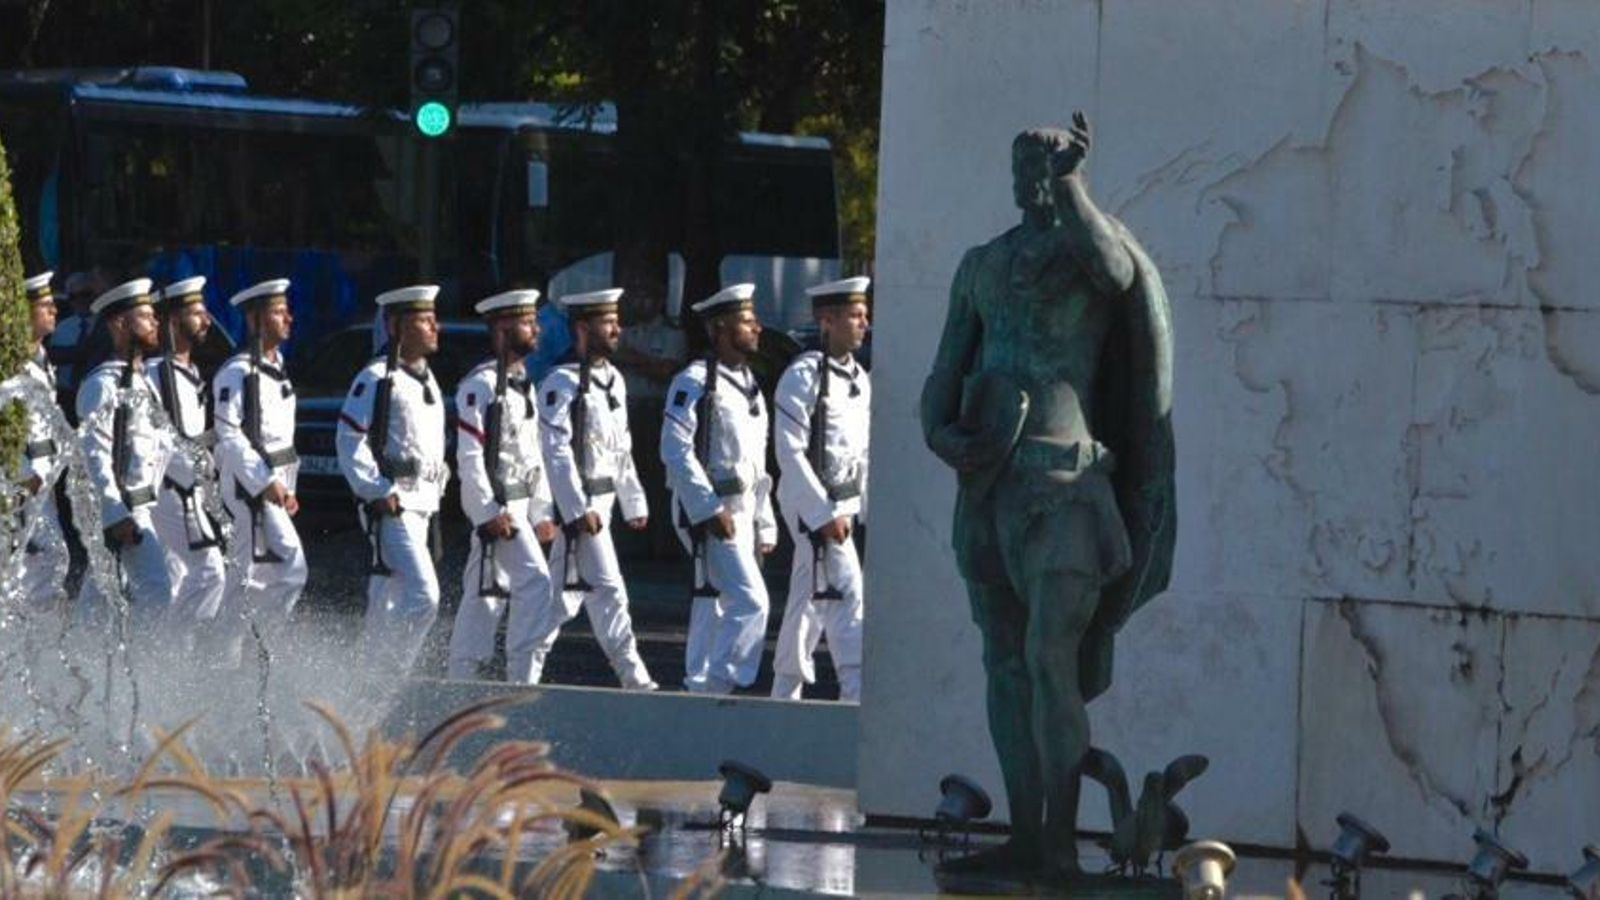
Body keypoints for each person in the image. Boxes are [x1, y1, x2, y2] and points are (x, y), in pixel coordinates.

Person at [920, 116, 1175, 883]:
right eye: (1023, 162)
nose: (1031, 174)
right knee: (1003, 662)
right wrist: (940, 432)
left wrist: (1075, 188)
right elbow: (943, 371)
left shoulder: (1092, 254)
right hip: (990, 489)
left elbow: (1120, 275)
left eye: (1047, 163)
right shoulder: (983, 264)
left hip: (1068, 489)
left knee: (1047, 659)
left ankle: (1060, 846)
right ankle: (1027, 833)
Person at [532, 288, 657, 690]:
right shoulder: (560, 381)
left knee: (559, 601)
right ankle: (636, 679)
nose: (617, 329)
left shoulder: (613, 380)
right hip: (582, 508)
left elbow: (621, 448)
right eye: (608, 322)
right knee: (608, 590)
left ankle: (522, 674)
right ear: (584, 328)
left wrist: (632, 498)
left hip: (602, 503)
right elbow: (556, 450)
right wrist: (574, 508)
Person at [660, 283, 777, 695]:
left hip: (743, 510)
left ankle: (699, 689)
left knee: (715, 603)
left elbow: (758, 466)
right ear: (722, 328)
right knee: (751, 602)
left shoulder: (748, 386)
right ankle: (721, 686)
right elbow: (674, 449)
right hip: (711, 512)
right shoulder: (693, 382)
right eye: (747, 322)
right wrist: (708, 510)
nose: (757, 328)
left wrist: (764, 523)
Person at [445, 288, 561, 683]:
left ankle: (460, 677)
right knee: (536, 585)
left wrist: (542, 512)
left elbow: (534, 458)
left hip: (521, 508)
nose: (537, 330)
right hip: (500, 509)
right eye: (527, 323)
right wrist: (487, 512)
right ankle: (521, 678)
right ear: (502, 328)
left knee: (485, 597)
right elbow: (470, 457)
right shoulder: (480, 387)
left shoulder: (522, 383)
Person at [770, 276, 872, 702]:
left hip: (844, 506)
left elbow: (862, 451)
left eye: (865, 315)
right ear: (826, 321)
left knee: (809, 603)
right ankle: (855, 691)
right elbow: (789, 452)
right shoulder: (803, 377)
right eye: (854, 315)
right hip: (815, 508)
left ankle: (784, 690)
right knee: (848, 597)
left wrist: (862, 508)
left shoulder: (859, 378)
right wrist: (821, 514)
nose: (864, 324)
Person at [337, 285, 448, 676]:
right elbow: (349, 439)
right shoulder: (376, 377)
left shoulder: (426, 379)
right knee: (424, 596)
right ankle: (392, 677)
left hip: (423, 504)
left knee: (386, 599)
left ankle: (361, 680)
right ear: (397, 326)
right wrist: (375, 489)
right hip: (393, 504)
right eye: (424, 318)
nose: (436, 325)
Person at [213, 279, 309, 648]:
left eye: (286, 309)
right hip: (249, 490)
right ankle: (249, 648)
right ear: (255, 320)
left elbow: (282, 441)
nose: (288, 317)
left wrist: (289, 488)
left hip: (274, 489)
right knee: (289, 570)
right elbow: (229, 433)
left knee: (255, 578)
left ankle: (233, 652)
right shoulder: (238, 372)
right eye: (278, 311)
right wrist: (264, 481)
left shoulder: (276, 368)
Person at [75, 277, 174, 617]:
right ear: (120, 324)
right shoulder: (103, 384)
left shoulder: (142, 381)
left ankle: (78, 662)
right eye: (145, 316)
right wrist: (115, 513)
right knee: (157, 592)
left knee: (99, 598)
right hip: (122, 509)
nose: (155, 322)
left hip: (139, 507)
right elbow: (94, 455)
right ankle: (147, 667)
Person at [146, 277, 227, 648]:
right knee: (209, 573)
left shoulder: (188, 372)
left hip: (189, 489)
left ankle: (171, 655)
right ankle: (169, 652)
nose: (207, 320)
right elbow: (165, 438)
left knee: (177, 579)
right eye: (196, 314)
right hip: (170, 489)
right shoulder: (157, 373)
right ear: (173, 322)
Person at [15, 271, 70, 609]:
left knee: (49, 564)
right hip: (25, 482)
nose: (54, 311)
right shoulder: (13, 365)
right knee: (26, 570)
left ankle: (41, 650)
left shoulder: (41, 359)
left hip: (44, 480)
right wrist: (25, 475)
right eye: (45, 306)